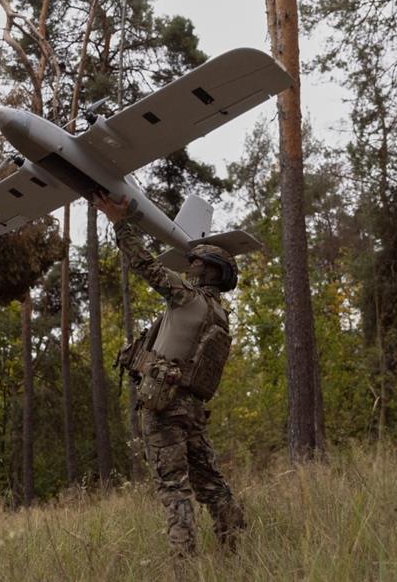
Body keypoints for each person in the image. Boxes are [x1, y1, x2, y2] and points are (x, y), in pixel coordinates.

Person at [93, 192, 245, 557]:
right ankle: (235, 547)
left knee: (173, 487)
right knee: (210, 481)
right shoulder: (220, 316)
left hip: (163, 407)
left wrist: (119, 222)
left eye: (194, 263)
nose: (188, 266)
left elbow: (145, 265)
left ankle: (184, 562)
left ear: (206, 270)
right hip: (191, 409)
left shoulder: (187, 299)